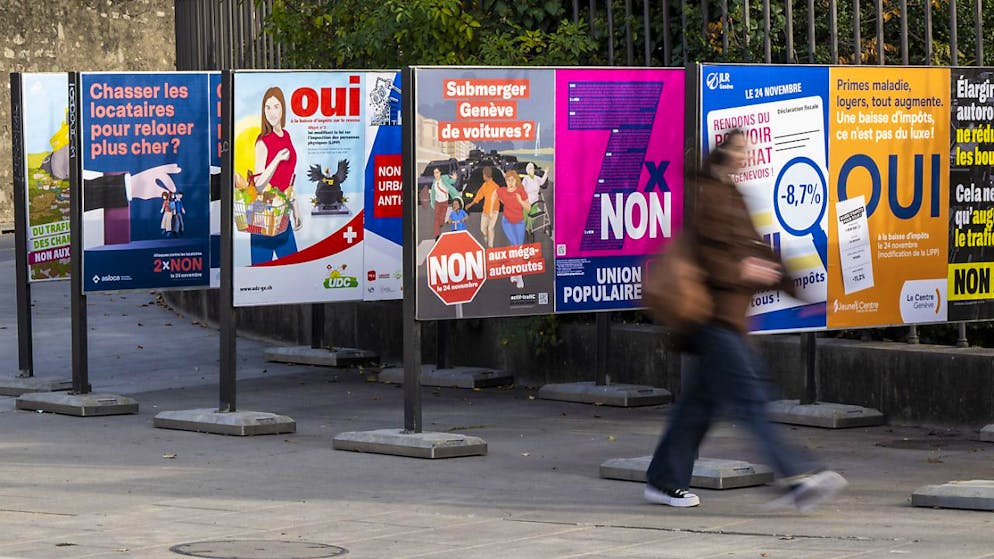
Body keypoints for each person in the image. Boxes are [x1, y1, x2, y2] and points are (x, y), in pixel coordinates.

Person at [643, 129, 847, 511]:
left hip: (727, 320)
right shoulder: (704, 195)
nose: (745, 156)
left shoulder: (732, 194)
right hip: (710, 316)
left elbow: (756, 247)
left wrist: (796, 287)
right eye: (739, 150)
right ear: (722, 152)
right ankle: (795, 479)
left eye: (747, 150)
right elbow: (707, 259)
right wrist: (743, 272)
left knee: (698, 407)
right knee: (752, 400)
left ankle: (663, 480)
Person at [250, 86, 302, 265]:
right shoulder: (262, 141)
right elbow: (258, 184)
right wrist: (277, 159)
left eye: (276, 106)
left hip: (282, 214)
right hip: (263, 215)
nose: (271, 112)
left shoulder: (286, 135)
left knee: (293, 271)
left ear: (283, 109)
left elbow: (287, 179)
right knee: (260, 275)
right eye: (267, 107)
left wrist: (296, 209)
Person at [497, 169, 531, 289]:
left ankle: (513, 272)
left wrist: (520, 201)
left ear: (516, 181)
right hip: (507, 222)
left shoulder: (521, 192)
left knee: (516, 248)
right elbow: (495, 196)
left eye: (512, 180)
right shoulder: (502, 191)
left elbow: (528, 207)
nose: (510, 183)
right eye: (508, 180)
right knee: (516, 247)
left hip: (519, 222)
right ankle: (519, 275)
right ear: (505, 181)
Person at [465, 166, 500, 247]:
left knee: (490, 228)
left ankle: (490, 247)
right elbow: (479, 196)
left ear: (486, 175)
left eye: (483, 175)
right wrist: (470, 204)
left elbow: (501, 198)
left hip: (494, 211)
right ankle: (486, 240)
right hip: (485, 211)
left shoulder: (495, 187)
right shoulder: (484, 185)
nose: (482, 177)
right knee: (482, 229)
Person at [430, 167, 460, 239]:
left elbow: (451, 182)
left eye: (437, 172)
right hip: (438, 203)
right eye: (434, 173)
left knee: (442, 219)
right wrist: (432, 202)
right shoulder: (434, 183)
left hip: (444, 202)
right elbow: (433, 194)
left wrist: (454, 178)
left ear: (440, 173)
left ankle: (440, 224)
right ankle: (437, 235)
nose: (436, 174)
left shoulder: (445, 179)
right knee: (436, 218)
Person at [520, 162, 548, 236]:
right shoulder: (525, 179)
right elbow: (521, 189)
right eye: (530, 168)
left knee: (532, 217)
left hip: (535, 200)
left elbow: (542, 182)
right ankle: (524, 228)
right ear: (528, 170)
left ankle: (528, 228)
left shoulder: (536, 178)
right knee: (525, 217)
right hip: (527, 201)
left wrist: (546, 173)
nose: (532, 170)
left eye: (532, 168)